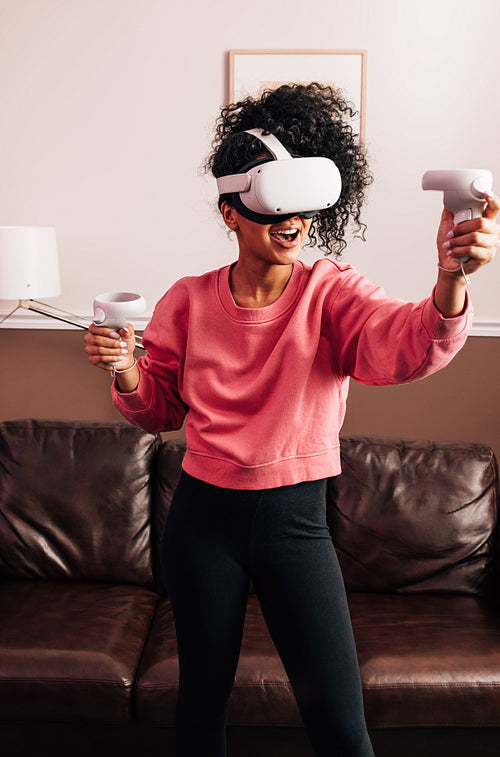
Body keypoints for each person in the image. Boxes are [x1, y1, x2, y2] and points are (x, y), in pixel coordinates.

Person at [84, 83, 499, 757]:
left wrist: (451, 277)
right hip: (202, 524)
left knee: (340, 727)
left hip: (296, 526)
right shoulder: (185, 303)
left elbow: (406, 342)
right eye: (276, 204)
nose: (296, 221)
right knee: (201, 710)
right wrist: (125, 369)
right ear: (230, 210)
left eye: (304, 208)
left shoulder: (331, 292)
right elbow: (157, 408)